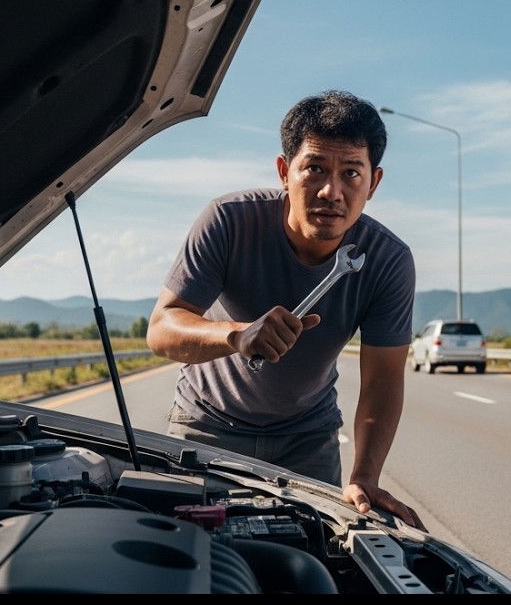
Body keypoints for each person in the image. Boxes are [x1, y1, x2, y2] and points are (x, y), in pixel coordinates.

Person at [147, 89, 425, 530]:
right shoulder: (228, 220)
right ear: (284, 171)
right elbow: (162, 329)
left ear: (373, 183)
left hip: (308, 440)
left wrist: (365, 476)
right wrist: (237, 336)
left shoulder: (388, 260)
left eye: (351, 173)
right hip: (204, 425)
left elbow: (383, 381)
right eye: (315, 168)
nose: (331, 191)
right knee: (189, 550)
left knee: (316, 553)